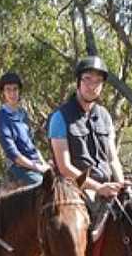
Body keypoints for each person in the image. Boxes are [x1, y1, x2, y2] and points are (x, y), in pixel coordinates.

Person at [48, 56, 125, 238]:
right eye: (87, 79)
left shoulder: (105, 116)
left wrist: (121, 185)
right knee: (81, 229)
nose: (92, 86)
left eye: (98, 82)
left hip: (106, 184)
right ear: (78, 82)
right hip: (77, 187)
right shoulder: (60, 117)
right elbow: (65, 169)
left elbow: (113, 159)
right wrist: (99, 188)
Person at [0, 71, 50, 188]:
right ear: (3, 93)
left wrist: (43, 163)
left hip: (34, 163)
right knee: (43, 187)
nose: (12, 93)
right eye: (8, 89)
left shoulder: (23, 113)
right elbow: (13, 154)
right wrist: (37, 167)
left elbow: (32, 145)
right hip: (18, 167)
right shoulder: (1, 118)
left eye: (15, 89)